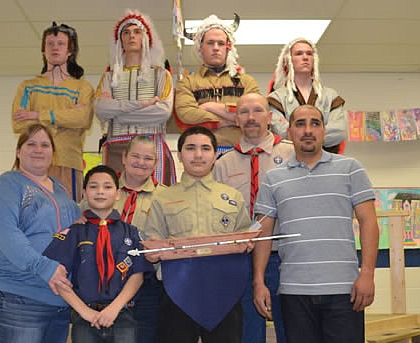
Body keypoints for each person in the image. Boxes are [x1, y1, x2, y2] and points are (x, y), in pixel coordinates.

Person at [253, 105, 379, 343]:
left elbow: (368, 222)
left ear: (324, 131)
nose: (307, 130)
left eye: (315, 123)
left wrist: (368, 274)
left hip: (345, 290)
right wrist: (258, 282)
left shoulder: (350, 169)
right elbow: (263, 233)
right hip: (294, 291)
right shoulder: (273, 179)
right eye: (300, 124)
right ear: (289, 132)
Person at [144, 126, 252, 343]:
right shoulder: (163, 198)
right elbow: (152, 242)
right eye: (190, 148)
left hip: (224, 293)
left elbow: (245, 239)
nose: (198, 154)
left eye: (205, 148)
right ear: (181, 155)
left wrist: (247, 243)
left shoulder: (232, 196)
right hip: (177, 293)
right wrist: (152, 251)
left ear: (215, 155)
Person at [0, 123, 82, 343]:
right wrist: (46, 268)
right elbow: (8, 236)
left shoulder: (61, 190)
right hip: (17, 296)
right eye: (31, 144)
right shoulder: (6, 185)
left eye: (45, 145)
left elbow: (79, 229)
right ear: (18, 152)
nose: (38, 149)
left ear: (53, 153)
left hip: (57, 300)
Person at [213, 93, 294, 343]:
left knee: (292, 329)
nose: (251, 117)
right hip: (241, 260)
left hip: (285, 257)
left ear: (269, 118)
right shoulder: (222, 164)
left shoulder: (292, 155)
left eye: (257, 111)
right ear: (236, 119)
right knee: (248, 332)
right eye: (244, 112)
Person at [44, 165, 153, 343]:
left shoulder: (131, 232)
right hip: (84, 318)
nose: (100, 191)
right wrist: (84, 311)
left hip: (122, 315)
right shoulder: (74, 232)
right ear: (85, 193)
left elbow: (138, 274)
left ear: (118, 194)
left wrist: (114, 308)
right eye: (93, 186)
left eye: (107, 187)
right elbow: (56, 276)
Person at [12, 22, 94, 201]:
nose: (55, 48)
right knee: (31, 215)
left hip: (68, 163)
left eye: (61, 44)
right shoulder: (29, 87)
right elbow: (19, 123)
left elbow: (82, 119)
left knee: (68, 218)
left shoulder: (82, 87)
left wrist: (37, 115)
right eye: (50, 44)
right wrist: (65, 118)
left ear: (70, 51)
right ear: (43, 50)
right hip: (31, 163)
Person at [95, 10, 176, 186]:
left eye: (137, 32)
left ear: (146, 38)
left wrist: (117, 113)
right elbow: (101, 109)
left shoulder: (161, 75)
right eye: (126, 32)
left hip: (152, 146)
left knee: (154, 202)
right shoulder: (109, 76)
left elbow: (162, 112)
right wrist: (141, 104)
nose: (131, 36)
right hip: (116, 146)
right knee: (116, 201)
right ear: (120, 40)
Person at [175, 14, 260, 152]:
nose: (216, 48)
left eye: (220, 43)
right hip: (201, 155)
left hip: (241, 152)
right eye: (210, 43)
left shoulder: (247, 82)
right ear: (200, 47)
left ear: (228, 47)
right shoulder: (187, 82)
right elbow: (186, 113)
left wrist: (209, 106)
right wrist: (228, 120)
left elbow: (253, 114)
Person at [116, 135, 166, 343]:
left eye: (148, 158)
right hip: (105, 282)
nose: (141, 162)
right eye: (135, 156)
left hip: (148, 284)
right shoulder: (103, 191)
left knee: (145, 336)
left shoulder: (166, 197)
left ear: (155, 163)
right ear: (124, 158)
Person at [268, 37, 347, 153]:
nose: (305, 57)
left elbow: (339, 131)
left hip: (326, 161)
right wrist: (317, 135)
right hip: (289, 160)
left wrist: (300, 136)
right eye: (299, 54)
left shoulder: (330, 96)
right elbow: (280, 132)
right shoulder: (276, 98)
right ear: (288, 60)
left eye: (309, 54)